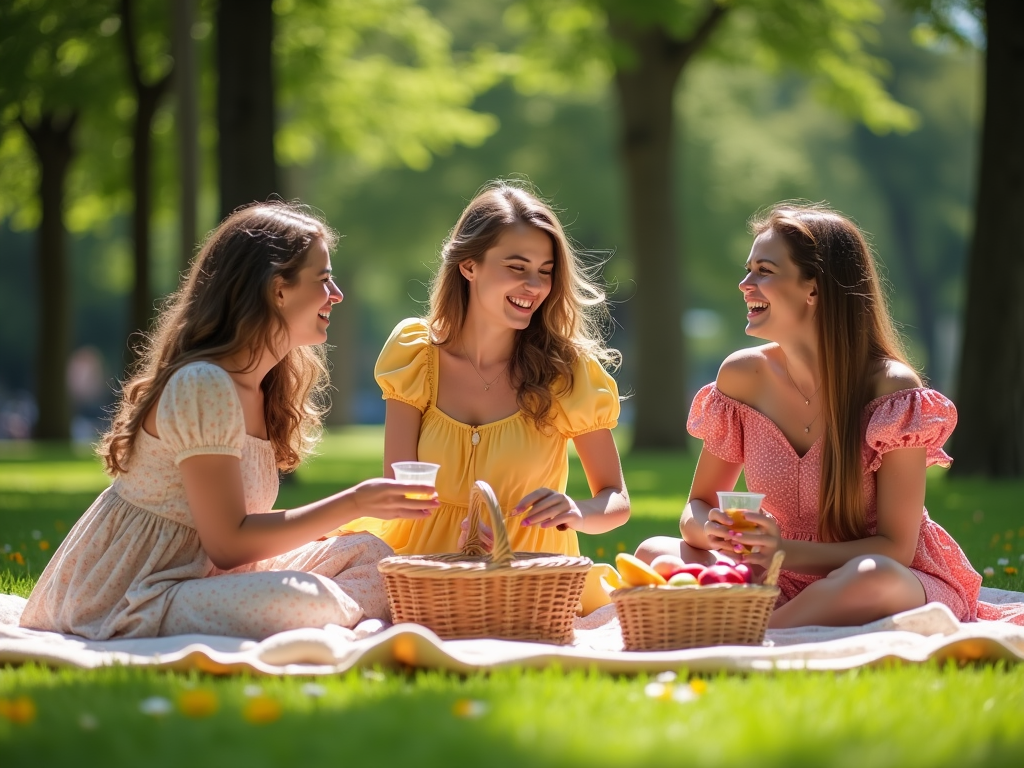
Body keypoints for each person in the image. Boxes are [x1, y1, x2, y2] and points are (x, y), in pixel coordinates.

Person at [20, 202, 438, 641]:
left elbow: (236, 542)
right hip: (137, 593)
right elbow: (229, 543)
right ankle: (342, 617)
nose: (336, 294)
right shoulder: (204, 384)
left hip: (209, 577)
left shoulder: (263, 386)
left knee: (372, 555)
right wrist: (355, 501)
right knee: (305, 599)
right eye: (322, 280)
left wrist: (347, 523)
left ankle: (339, 616)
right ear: (279, 290)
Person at [636, 202, 1023, 628]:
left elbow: (895, 547)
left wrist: (782, 549)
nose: (745, 284)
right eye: (749, 270)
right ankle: (770, 618)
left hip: (882, 575)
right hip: (777, 574)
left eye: (764, 270)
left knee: (871, 579)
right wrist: (718, 532)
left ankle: (754, 628)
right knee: (654, 551)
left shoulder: (892, 391)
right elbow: (698, 505)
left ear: (814, 288)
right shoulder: (741, 376)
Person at [335, 181, 629, 610]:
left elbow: (616, 501)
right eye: (517, 266)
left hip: (530, 580)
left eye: (545, 271)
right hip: (421, 570)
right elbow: (398, 492)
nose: (534, 285)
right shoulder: (416, 357)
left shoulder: (567, 374)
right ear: (469, 266)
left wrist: (576, 510)